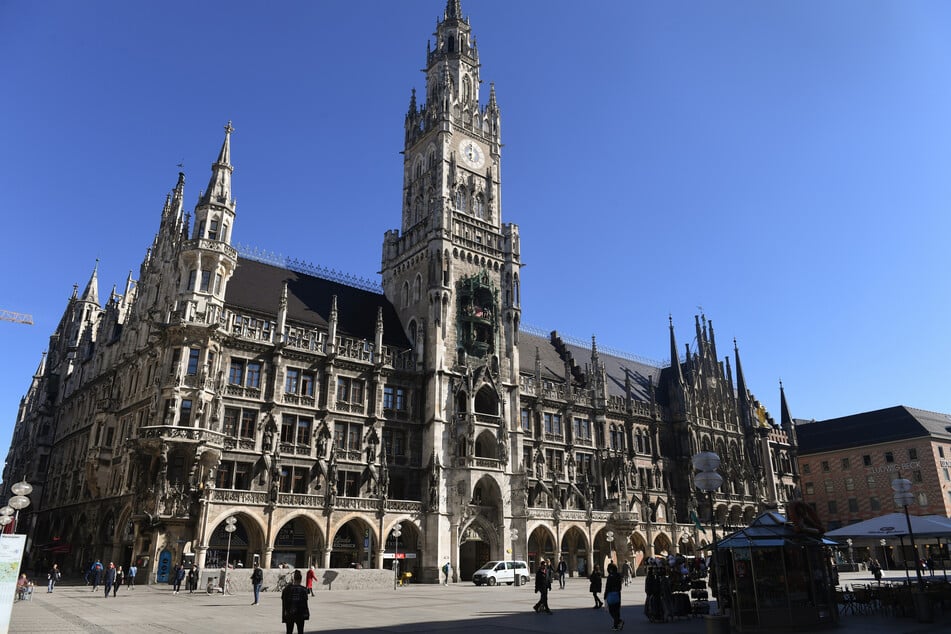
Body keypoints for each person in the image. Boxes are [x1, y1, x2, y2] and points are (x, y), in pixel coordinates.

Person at [281, 569, 310, 634]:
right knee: (300, 631)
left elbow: (283, 599)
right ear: (301, 579)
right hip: (300, 613)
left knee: (289, 631)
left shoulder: (287, 589)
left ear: (294, 579)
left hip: (289, 613)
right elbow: (305, 602)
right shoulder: (304, 589)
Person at [604, 562, 624, 631]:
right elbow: (620, 586)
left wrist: (605, 595)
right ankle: (617, 624)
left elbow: (607, 587)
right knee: (617, 610)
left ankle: (618, 623)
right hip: (617, 594)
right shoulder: (618, 575)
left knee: (611, 610)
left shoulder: (610, 576)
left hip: (611, 594)